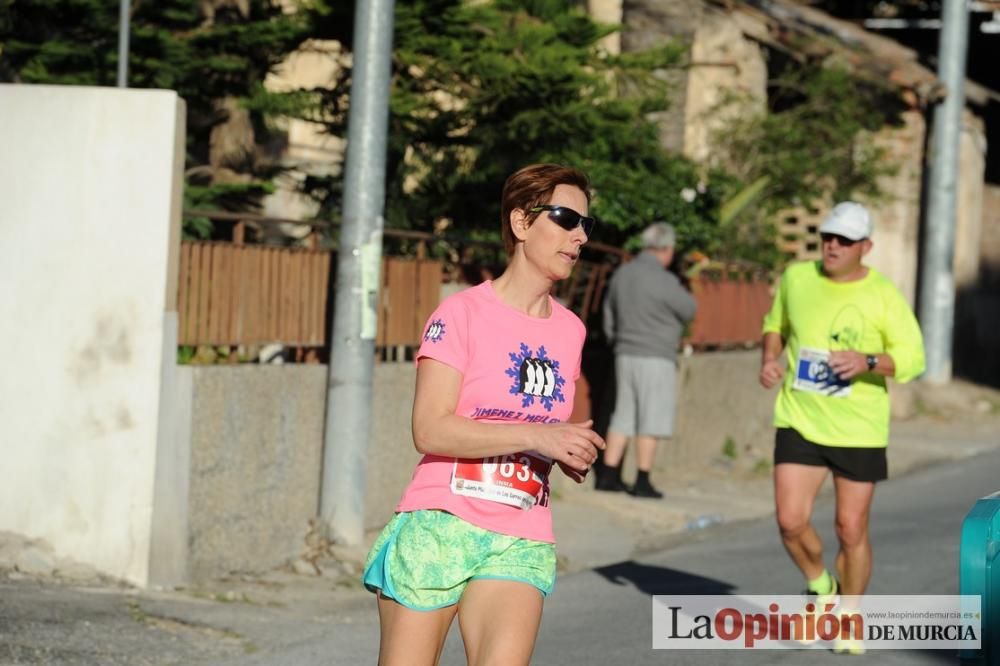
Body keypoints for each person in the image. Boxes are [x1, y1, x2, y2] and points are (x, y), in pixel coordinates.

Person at [362, 163, 606, 666]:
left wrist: (566, 449)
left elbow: (546, 432)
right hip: (441, 523)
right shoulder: (461, 314)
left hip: (521, 532)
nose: (579, 236)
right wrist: (539, 437)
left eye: (585, 225)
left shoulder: (570, 331)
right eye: (566, 219)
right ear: (521, 223)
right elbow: (429, 428)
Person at [758, 201, 925, 654]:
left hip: (859, 428)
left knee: (850, 528)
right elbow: (776, 324)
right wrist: (770, 359)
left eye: (844, 241)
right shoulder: (797, 278)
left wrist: (867, 361)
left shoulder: (884, 294)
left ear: (865, 247)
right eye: (827, 237)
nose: (832, 246)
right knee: (791, 521)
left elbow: (913, 359)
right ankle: (821, 586)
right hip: (800, 419)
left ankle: (849, 614)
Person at [597, 222, 697, 498]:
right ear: (666, 249)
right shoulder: (665, 280)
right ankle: (642, 480)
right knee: (651, 417)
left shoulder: (622, 274)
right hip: (656, 355)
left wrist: (616, 340)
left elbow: (608, 314)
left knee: (623, 415)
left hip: (624, 352)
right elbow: (689, 309)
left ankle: (608, 475)